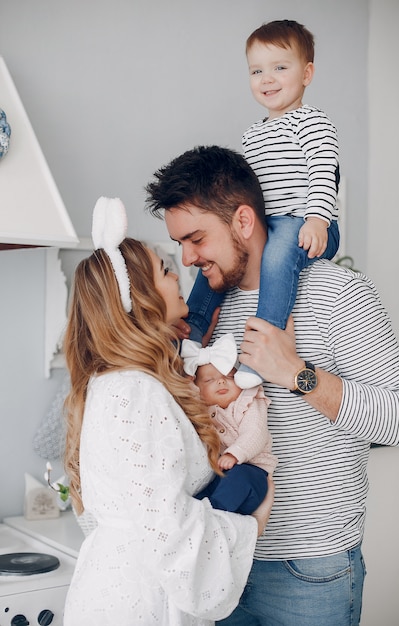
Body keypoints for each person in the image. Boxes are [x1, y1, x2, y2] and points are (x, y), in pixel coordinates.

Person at [145, 145, 399, 626]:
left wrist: (296, 373)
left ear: (244, 221)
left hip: (310, 571)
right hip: (222, 559)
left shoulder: (340, 294)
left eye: (196, 239)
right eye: (180, 243)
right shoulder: (203, 316)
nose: (187, 258)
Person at [63, 197, 273, 626]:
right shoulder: (135, 392)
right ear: (141, 296)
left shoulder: (121, 382)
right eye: (164, 270)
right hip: (142, 605)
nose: (179, 272)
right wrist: (252, 525)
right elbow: (167, 531)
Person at [185, 19, 340, 390]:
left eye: (279, 68)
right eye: (257, 71)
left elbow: (322, 173)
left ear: (307, 73)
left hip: (304, 222)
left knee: (275, 255)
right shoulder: (252, 134)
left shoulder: (312, 122)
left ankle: (263, 342)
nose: (267, 79)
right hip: (268, 224)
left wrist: (317, 219)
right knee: (219, 258)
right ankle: (190, 333)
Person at [181, 334, 277, 514]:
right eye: (209, 380)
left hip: (252, 472)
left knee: (239, 479)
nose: (221, 381)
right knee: (199, 496)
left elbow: (255, 433)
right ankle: (196, 519)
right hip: (218, 476)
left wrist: (234, 454)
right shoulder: (201, 410)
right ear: (198, 390)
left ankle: (213, 519)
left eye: (230, 376)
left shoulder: (248, 403)